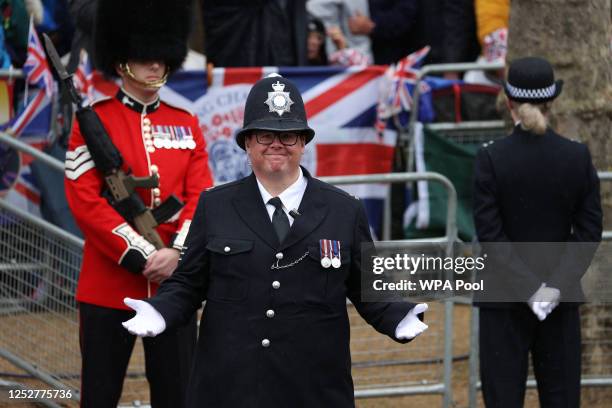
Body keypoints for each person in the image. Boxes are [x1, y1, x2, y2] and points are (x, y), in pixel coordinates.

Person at [122, 74, 429, 407]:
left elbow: (368, 286)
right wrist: (160, 310)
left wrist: (399, 316)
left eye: (289, 136)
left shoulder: (344, 210)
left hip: (313, 389)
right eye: (266, 135)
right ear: (248, 143)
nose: (277, 144)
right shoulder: (215, 205)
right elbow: (188, 283)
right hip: (231, 388)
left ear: (303, 143)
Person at [64, 1, 212, 407]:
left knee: (177, 393)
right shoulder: (94, 121)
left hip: (174, 287)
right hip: (109, 285)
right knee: (100, 394)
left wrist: (177, 253)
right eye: (146, 58)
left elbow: (202, 195)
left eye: (162, 58)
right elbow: (85, 201)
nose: (156, 67)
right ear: (122, 60)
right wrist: (147, 255)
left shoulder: (186, 123)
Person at [472, 57, 602, 407]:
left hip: (502, 297)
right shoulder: (575, 157)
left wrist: (531, 288)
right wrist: (554, 286)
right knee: (561, 398)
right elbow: (589, 230)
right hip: (559, 301)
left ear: (510, 102)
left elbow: (490, 234)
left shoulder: (491, 158)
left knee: (503, 398)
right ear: (551, 102)